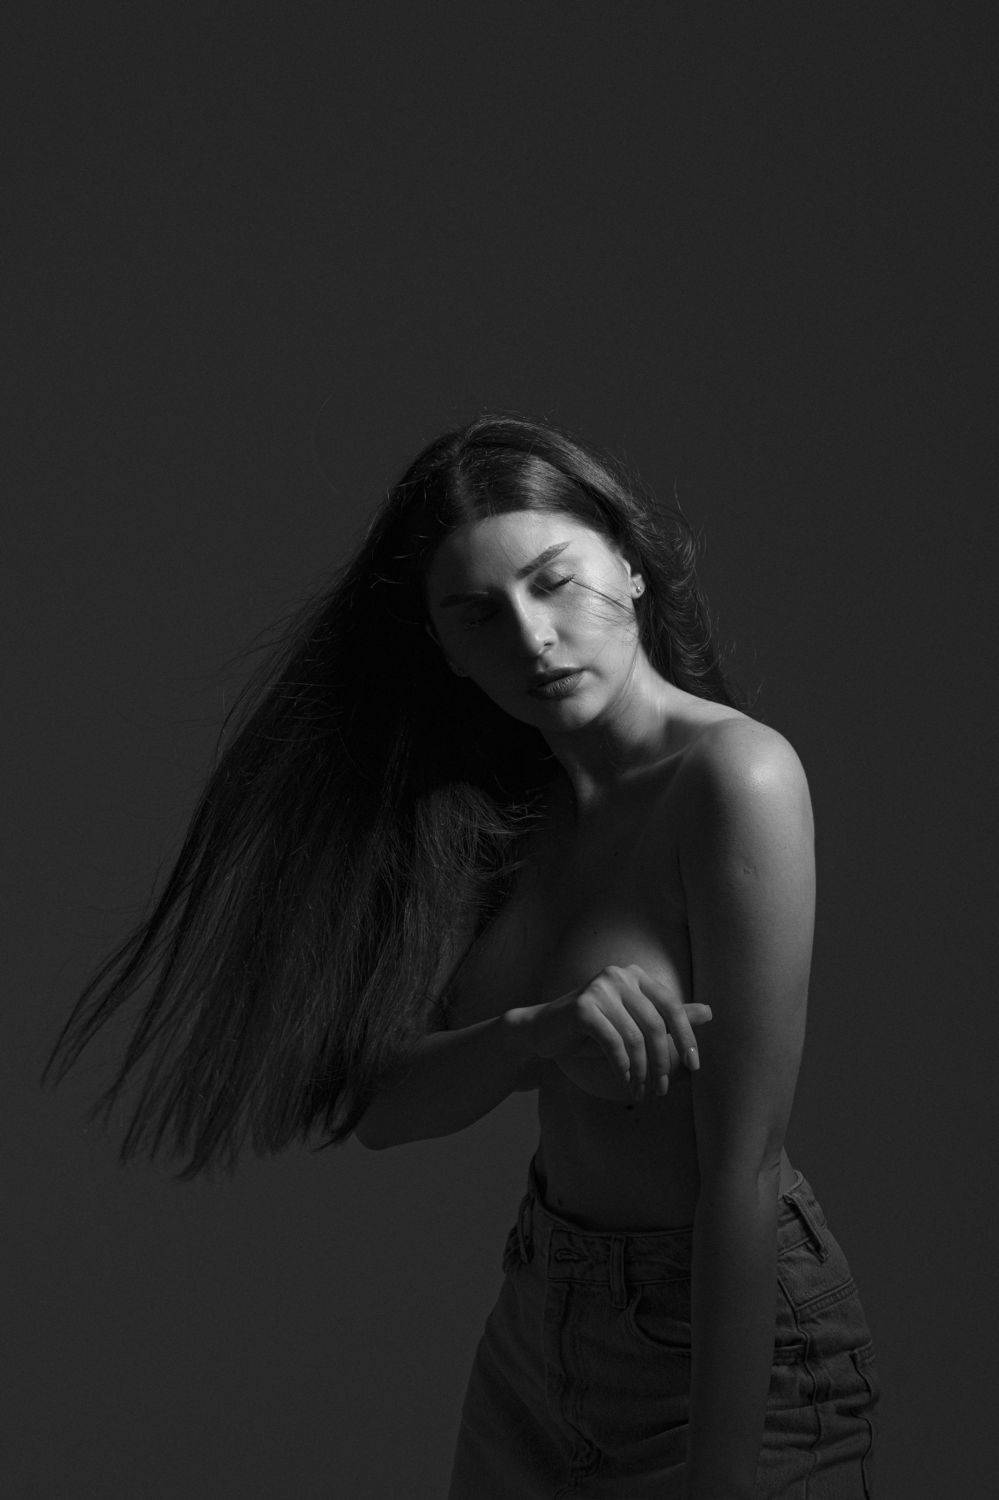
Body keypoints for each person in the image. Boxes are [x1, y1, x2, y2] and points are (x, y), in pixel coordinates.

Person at [42, 414, 881, 1497]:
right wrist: (537, 1036)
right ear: (445, 648)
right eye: (480, 614)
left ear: (629, 566)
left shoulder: (735, 778)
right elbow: (384, 1110)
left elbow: (744, 1170)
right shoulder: (497, 813)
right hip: (540, 1330)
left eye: (554, 581)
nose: (533, 638)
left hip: (723, 1337)